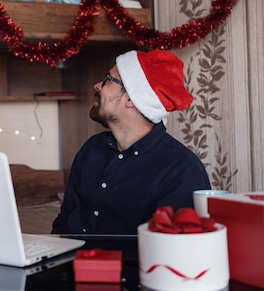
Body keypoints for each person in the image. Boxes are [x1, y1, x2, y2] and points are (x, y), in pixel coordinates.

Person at [52, 49, 211, 235]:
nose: (97, 86)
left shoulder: (181, 170)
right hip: (71, 261)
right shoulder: (92, 149)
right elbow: (64, 222)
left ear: (131, 99)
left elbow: (174, 252)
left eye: (107, 80)